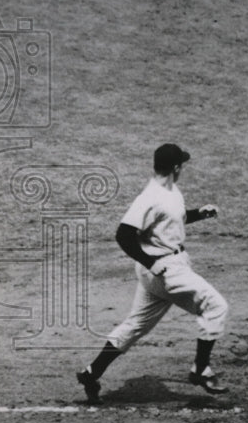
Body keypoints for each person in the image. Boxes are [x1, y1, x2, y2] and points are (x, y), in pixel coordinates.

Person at [76, 143, 229, 404]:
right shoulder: (150, 197)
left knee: (136, 325)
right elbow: (123, 234)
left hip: (165, 267)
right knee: (216, 307)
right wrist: (150, 262)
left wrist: (198, 214)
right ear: (176, 168)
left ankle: (92, 373)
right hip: (165, 270)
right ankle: (201, 368)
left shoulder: (170, 190)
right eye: (183, 165)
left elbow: (169, 221)